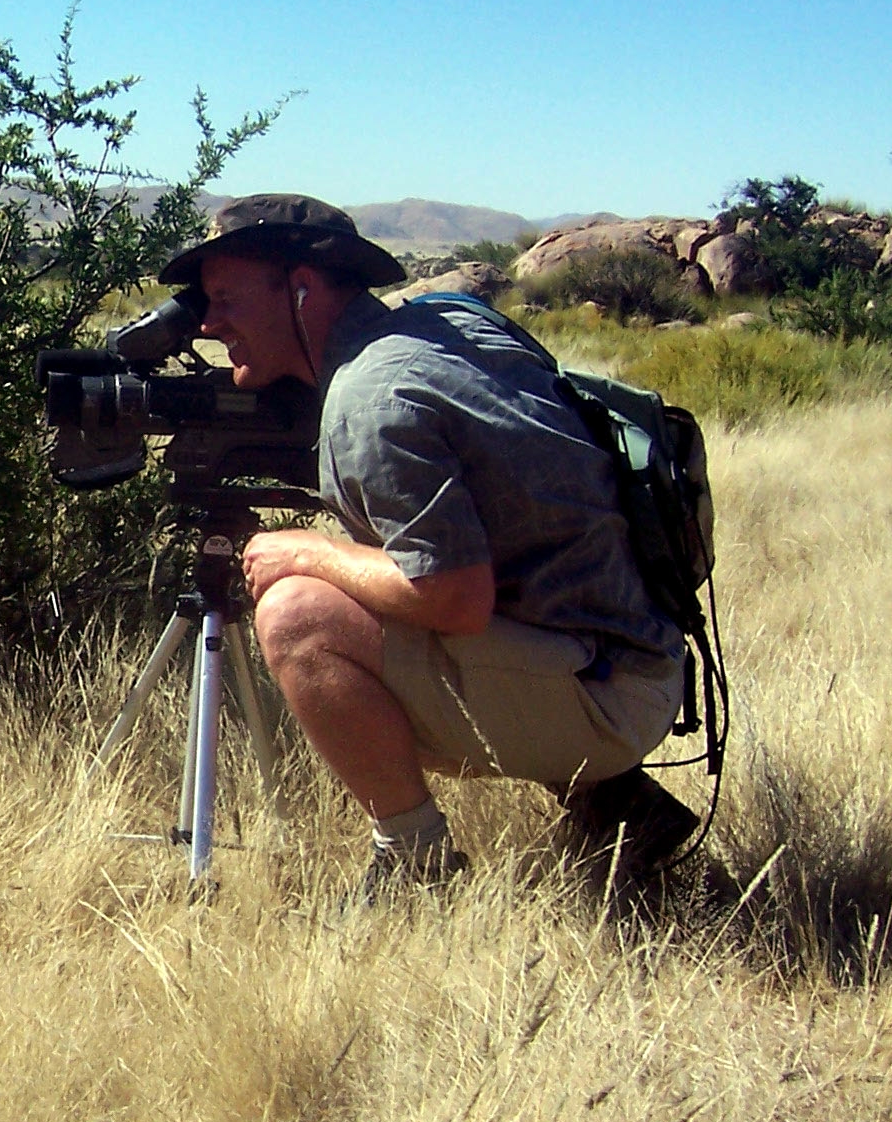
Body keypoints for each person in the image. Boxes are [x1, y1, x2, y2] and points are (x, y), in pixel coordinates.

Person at [160, 193, 699, 889]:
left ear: (301, 288)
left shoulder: (374, 398)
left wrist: (306, 552)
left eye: (226, 296)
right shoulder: (439, 324)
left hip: (609, 695)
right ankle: (621, 808)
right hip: (634, 653)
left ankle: (414, 863)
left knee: (298, 612)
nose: (208, 322)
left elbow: (452, 599)